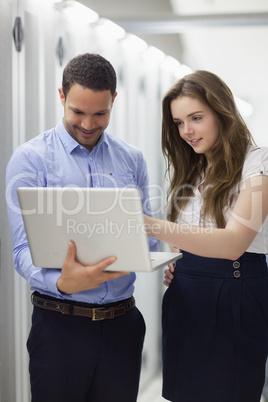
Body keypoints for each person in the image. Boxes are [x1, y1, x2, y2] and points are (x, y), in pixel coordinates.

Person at [5, 53, 158, 402]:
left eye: (100, 113)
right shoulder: (30, 159)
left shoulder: (131, 159)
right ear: (62, 97)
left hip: (123, 325)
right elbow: (21, 250)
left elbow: (144, 236)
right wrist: (60, 281)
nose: (88, 123)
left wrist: (161, 255)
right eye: (78, 111)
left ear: (113, 101)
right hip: (60, 327)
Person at [143, 70, 268, 402]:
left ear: (222, 112)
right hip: (185, 298)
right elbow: (183, 236)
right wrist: (179, 262)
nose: (187, 131)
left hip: (236, 296)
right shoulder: (192, 169)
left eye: (196, 118)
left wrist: (148, 225)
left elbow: (233, 243)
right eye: (179, 122)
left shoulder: (258, 163)